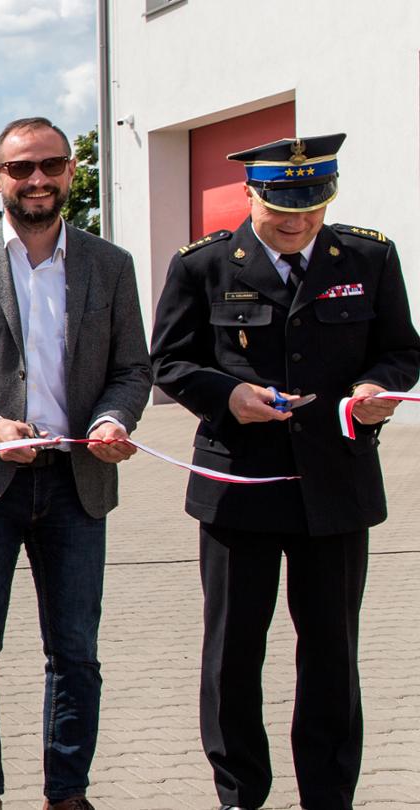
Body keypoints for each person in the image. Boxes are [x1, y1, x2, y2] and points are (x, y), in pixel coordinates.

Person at [148, 134, 419, 810]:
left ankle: (328, 795)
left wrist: (375, 389)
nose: (298, 222)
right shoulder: (204, 264)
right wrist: (228, 396)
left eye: (312, 207)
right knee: (234, 650)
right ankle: (240, 792)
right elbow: (170, 361)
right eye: (281, 208)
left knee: (331, 651)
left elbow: (401, 352)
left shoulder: (370, 256)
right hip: (240, 488)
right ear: (250, 194)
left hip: (336, 486)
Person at [0, 117, 152, 810]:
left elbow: (133, 369)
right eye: (20, 168)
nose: (37, 179)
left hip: (78, 485)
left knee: (75, 651)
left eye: (51, 165)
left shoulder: (110, 264)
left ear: (71, 171)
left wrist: (112, 419)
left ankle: (66, 793)